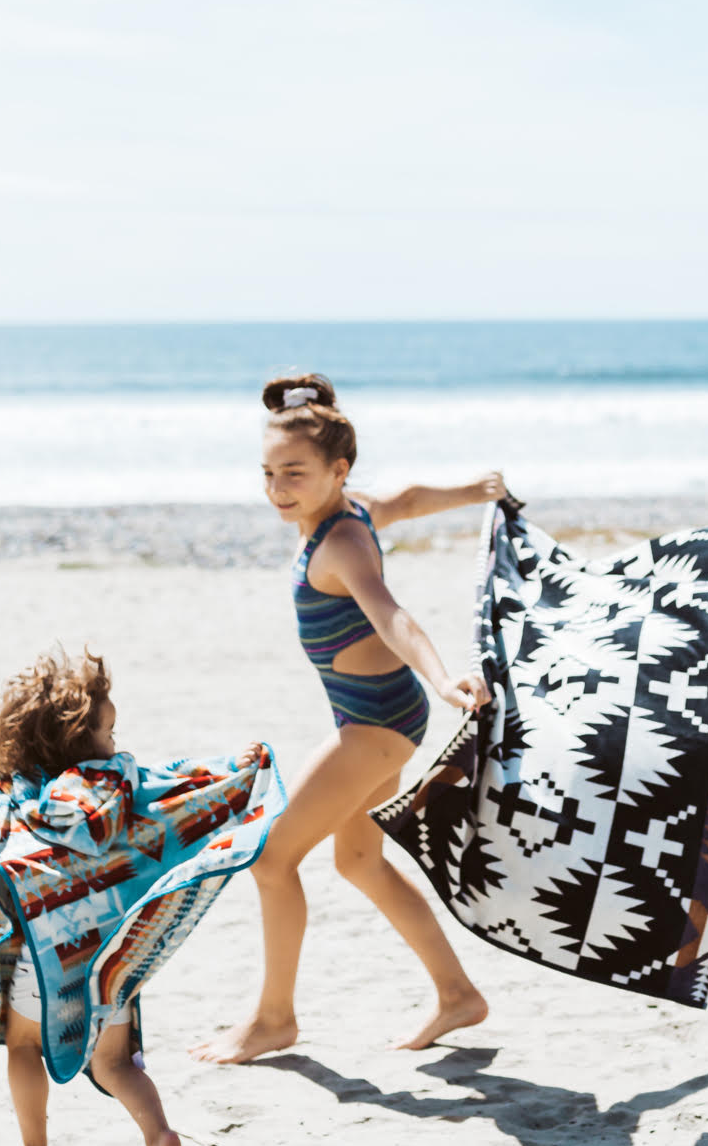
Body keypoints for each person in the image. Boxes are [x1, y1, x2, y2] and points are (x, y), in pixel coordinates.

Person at [194, 371, 503, 1063]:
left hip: (373, 728)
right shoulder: (351, 508)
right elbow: (412, 498)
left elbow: (388, 612)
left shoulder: (341, 542)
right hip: (381, 718)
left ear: (336, 470)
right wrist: (474, 489)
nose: (278, 486)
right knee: (358, 860)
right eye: (269, 472)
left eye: (295, 473)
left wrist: (439, 669)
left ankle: (274, 1019)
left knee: (271, 860)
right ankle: (457, 996)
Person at [0, 648, 184, 1146]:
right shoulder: (117, 787)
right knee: (114, 1062)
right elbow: (171, 805)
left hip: (47, 960)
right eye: (107, 732)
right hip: (109, 958)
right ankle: (158, 1136)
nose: (115, 742)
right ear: (75, 741)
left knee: (22, 1045)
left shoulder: (21, 793)